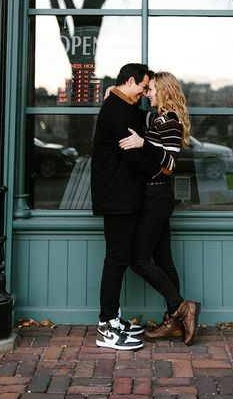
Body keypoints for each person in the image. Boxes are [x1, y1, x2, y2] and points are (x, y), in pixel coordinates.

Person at [119, 71, 201, 345]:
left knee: (139, 261)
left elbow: (171, 163)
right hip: (154, 196)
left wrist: (143, 144)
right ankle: (174, 322)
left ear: (164, 91)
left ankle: (181, 307)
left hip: (158, 196)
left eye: (151, 89)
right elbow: (135, 113)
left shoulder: (171, 122)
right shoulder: (157, 118)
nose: (147, 94)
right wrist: (114, 93)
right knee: (164, 260)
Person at [91, 62, 162, 350]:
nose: (146, 93)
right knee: (116, 259)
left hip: (123, 194)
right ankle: (107, 326)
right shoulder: (116, 109)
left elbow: (145, 118)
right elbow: (130, 153)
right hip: (116, 196)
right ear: (131, 81)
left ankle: (114, 320)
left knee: (119, 258)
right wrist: (159, 171)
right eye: (144, 87)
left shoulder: (122, 105)